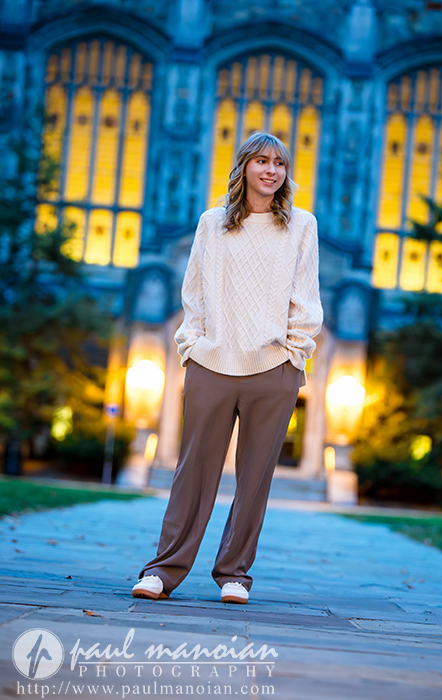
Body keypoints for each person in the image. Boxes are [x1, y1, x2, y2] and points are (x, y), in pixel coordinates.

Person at [131, 131, 323, 604]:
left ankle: (235, 574)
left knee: (255, 478)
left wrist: (296, 351)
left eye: (279, 163)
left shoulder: (301, 225)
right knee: (193, 471)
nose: (271, 171)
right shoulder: (212, 224)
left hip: (274, 368)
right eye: (262, 161)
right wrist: (191, 346)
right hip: (212, 363)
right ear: (244, 168)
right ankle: (162, 570)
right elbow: (193, 291)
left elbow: (306, 294)